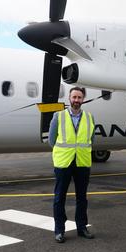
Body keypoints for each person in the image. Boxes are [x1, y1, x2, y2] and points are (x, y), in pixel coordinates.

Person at [48, 86, 95, 243]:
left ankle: (82, 228)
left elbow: (91, 139)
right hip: (63, 162)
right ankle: (59, 230)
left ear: (83, 99)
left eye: (79, 97)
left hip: (82, 162)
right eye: (74, 97)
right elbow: (51, 140)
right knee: (59, 197)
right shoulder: (58, 116)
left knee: (82, 198)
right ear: (69, 98)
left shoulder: (89, 117)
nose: (76, 100)